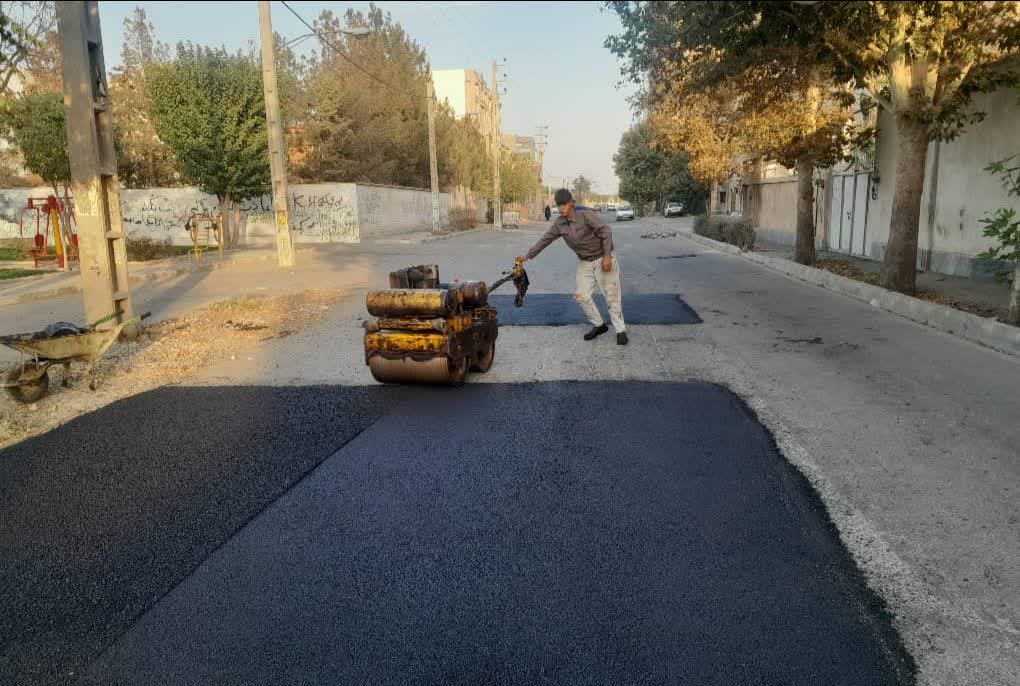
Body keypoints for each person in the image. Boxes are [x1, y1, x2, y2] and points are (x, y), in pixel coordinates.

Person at [517, 188, 627, 345]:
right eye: (559, 205)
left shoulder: (585, 215)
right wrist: (528, 256)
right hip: (585, 262)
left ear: (571, 203)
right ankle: (599, 325)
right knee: (581, 295)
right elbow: (545, 239)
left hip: (603, 258)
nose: (561, 208)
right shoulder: (559, 224)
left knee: (612, 296)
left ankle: (620, 330)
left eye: (564, 205)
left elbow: (606, 231)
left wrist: (607, 256)